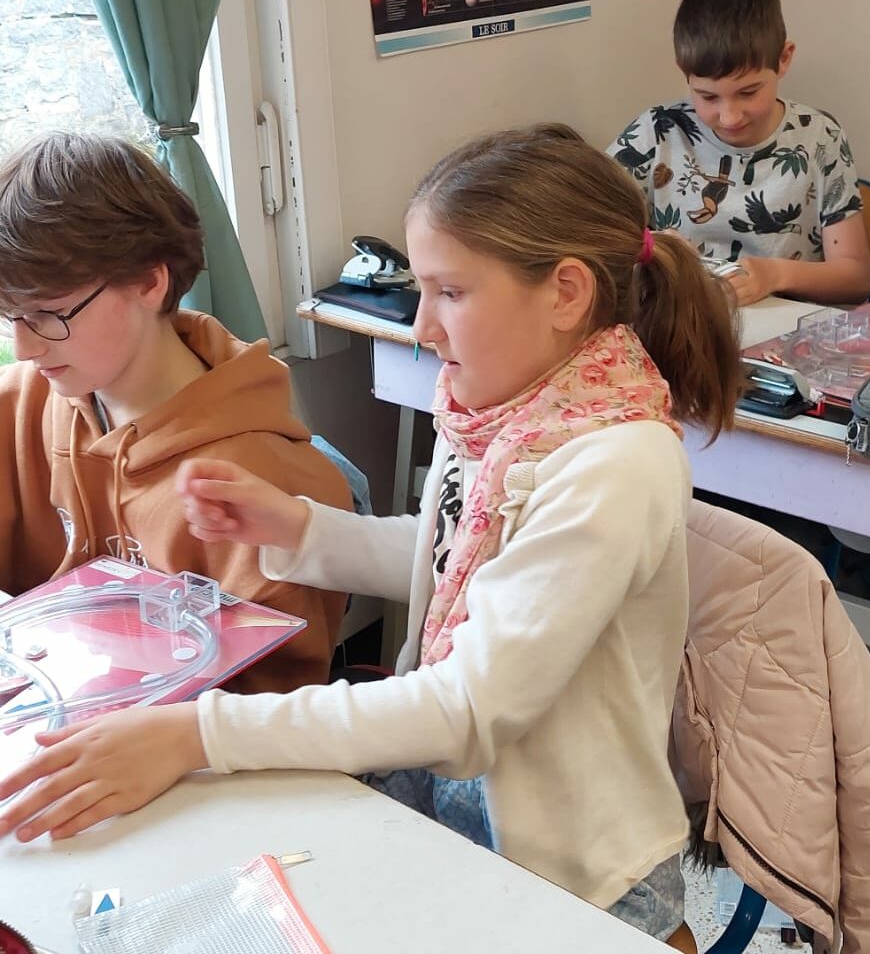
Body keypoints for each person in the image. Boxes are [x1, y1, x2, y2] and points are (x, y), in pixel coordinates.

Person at [0, 123, 745, 952]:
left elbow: (465, 708)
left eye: (448, 292)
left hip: (575, 864)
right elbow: (451, 560)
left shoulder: (616, 462)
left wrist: (194, 733)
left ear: (565, 293)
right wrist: (297, 528)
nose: (421, 325)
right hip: (455, 804)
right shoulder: (505, 416)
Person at [0, 132, 352, 693]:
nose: (24, 348)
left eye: (48, 314)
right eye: (9, 316)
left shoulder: (258, 481)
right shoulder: (22, 401)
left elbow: (275, 702)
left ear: (149, 280)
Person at [608, 0, 870, 307]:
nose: (730, 117)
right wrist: (649, 249)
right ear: (683, 70)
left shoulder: (820, 138)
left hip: (782, 328)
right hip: (684, 322)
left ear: (784, 58)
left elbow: (856, 279)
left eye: (748, 92)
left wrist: (775, 275)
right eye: (707, 96)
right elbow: (586, 225)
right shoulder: (656, 132)